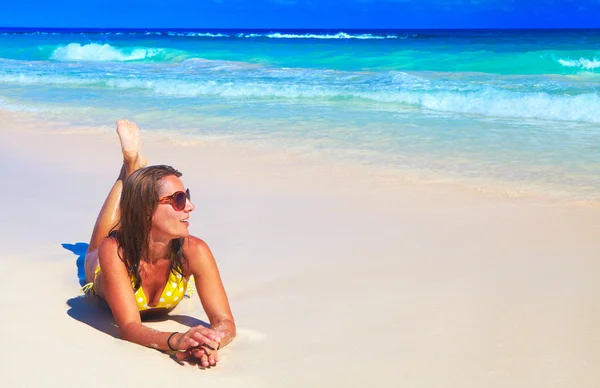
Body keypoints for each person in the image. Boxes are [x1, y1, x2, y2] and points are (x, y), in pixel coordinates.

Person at [82, 119, 235, 367]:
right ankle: (130, 164)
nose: (190, 206)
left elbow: (225, 320)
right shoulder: (114, 250)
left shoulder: (195, 250)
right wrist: (177, 340)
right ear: (147, 209)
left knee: (128, 214)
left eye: (187, 196)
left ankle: (133, 166)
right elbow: (130, 327)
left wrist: (209, 341)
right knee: (96, 248)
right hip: (104, 266)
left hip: (138, 228)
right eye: (178, 199)